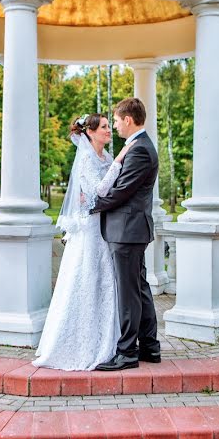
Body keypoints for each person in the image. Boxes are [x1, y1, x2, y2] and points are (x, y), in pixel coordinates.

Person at [32, 113, 131, 370]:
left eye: (110, 126)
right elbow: (99, 190)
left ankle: (107, 341)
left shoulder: (106, 157)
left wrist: (114, 164)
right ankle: (78, 344)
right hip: (90, 229)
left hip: (105, 224)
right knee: (86, 279)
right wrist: (119, 163)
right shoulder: (88, 158)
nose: (109, 131)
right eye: (105, 127)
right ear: (91, 132)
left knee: (104, 282)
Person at [91, 97, 161, 371]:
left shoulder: (140, 150)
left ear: (128, 120)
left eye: (117, 120)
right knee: (139, 288)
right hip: (130, 230)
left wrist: (91, 206)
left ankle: (127, 353)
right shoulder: (137, 147)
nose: (116, 125)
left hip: (127, 230)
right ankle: (150, 346)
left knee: (129, 292)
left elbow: (121, 191)